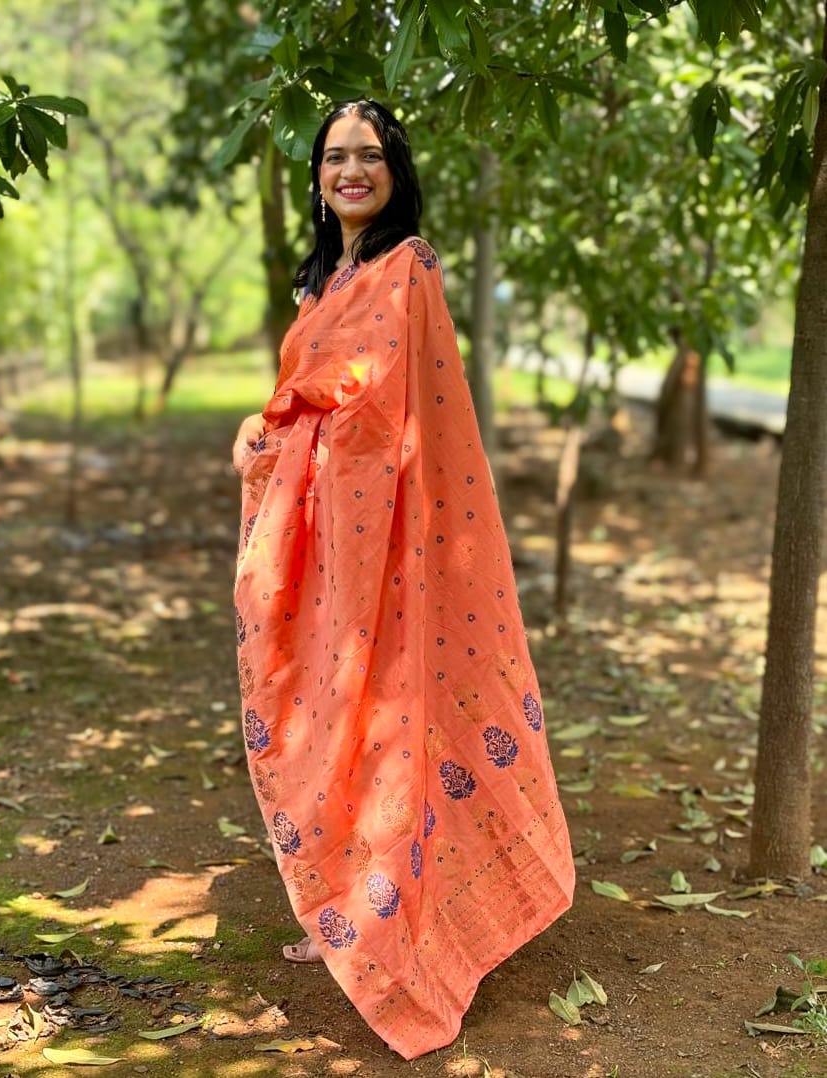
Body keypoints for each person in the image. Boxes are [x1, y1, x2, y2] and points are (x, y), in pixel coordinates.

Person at [232, 100, 574, 1061]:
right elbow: (310, 392)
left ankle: (403, 928)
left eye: (370, 156)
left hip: (387, 537)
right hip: (318, 536)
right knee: (326, 711)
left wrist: (282, 423)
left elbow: (379, 400)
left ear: (395, 171)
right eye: (335, 157)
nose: (352, 170)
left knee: (389, 707)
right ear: (316, 176)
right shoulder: (320, 280)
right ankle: (342, 906)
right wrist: (270, 432)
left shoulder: (406, 265)